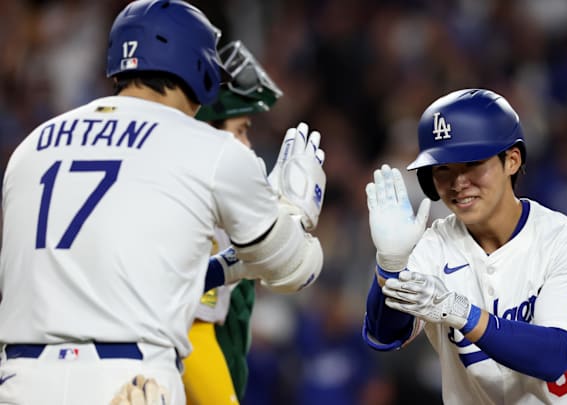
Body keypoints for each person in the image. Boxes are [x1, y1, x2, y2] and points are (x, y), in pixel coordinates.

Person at [0, 1, 325, 404]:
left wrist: (225, 266)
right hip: (130, 380)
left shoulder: (31, 147)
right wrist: (296, 210)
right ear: (199, 66)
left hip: (20, 379)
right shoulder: (210, 148)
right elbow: (291, 268)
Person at [362, 89, 567, 404]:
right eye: (443, 169)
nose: (458, 183)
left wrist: (461, 312)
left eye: (471, 163)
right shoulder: (432, 247)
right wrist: (390, 267)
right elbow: (384, 335)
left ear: (511, 160)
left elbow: (554, 356)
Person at [182, 39, 286, 405]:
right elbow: (194, 330)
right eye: (241, 130)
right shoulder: (194, 202)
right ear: (209, 131)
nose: (248, 145)